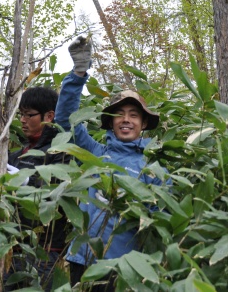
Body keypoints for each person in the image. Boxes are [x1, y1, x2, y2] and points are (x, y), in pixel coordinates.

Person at [54, 36, 165, 292]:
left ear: (144, 124)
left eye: (134, 115)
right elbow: (66, 122)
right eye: (119, 114)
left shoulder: (153, 166)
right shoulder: (95, 152)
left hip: (124, 267)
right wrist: (78, 73)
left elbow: (160, 219)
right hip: (83, 260)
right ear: (110, 122)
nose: (126, 120)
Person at [5, 86, 69, 291]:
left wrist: (24, 182)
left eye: (29, 115)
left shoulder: (60, 152)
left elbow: (55, 192)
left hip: (44, 250)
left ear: (49, 116)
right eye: (21, 114)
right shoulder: (15, 155)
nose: (22, 120)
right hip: (12, 248)